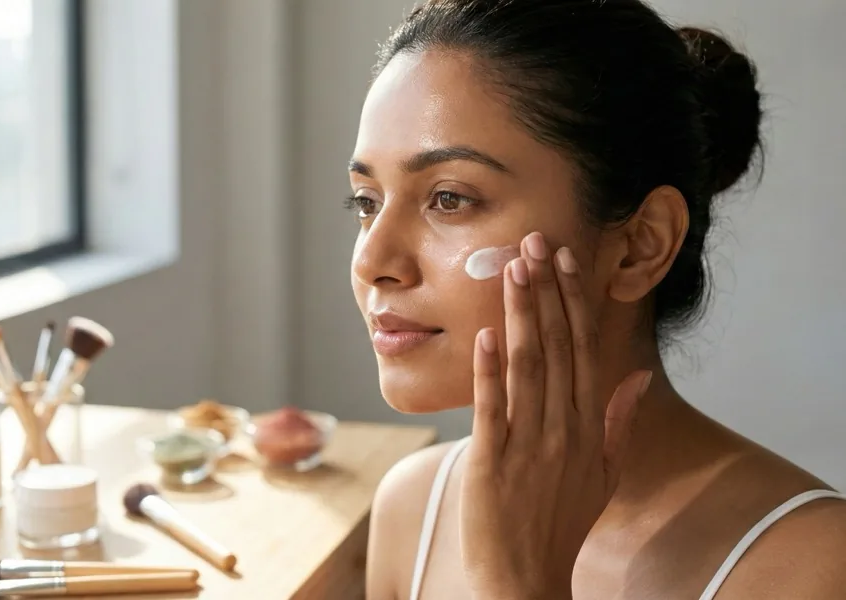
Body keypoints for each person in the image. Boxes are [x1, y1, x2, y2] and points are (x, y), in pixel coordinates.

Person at [350, 1, 846, 598]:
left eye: (450, 198)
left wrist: (518, 584)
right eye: (366, 202)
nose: (373, 263)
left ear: (640, 245)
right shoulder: (412, 508)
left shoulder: (814, 568)